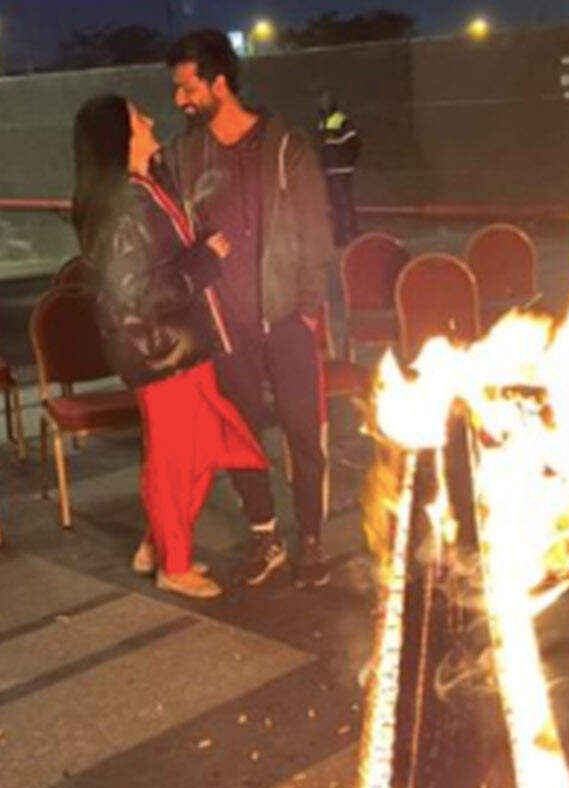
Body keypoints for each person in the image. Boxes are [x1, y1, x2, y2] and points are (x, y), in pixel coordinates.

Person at [72, 94, 269, 601]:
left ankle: (158, 545)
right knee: (175, 460)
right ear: (121, 136)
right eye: (140, 117)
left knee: (202, 448)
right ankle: (174, 565)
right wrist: (203, 263)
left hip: (180, 346)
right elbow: (134, 294)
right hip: (159, 352)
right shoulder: (121, 205)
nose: (151, 119)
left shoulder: (144, 188)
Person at [164, 29, 334, 588]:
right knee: (240, 435)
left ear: (219, 82)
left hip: (286, 317)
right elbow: (169, 234)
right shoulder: (186, 155)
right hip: (224, 325)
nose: (180, 101)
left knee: (302, 432)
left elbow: (316, 228)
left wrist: (308, 307)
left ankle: (310, 534)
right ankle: (266, 536)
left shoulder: (285, 146)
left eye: (187, 88)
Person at [316, 90, 360, 247]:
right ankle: (342, 236)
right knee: (337, 204)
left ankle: (351, 235)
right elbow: (323, 147)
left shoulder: (341, 120)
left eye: (325, 101)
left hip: (341, 169)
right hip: (332, 169)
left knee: (343, 203)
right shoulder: (323, 122)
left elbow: (354, 142)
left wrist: (349, 161)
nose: (322, 104)